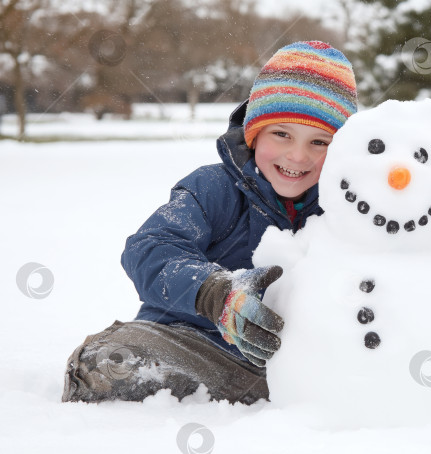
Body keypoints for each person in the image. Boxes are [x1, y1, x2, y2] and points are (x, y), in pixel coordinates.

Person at [62, 41, 358, 404]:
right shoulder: (215, 188)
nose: (298, 155)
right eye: (282, 134)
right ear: (254, 134)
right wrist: (214, 293)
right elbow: (150, 249)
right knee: (111, 361)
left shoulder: (346, 207)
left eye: (319, 142)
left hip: (287, 366)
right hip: (191, 347)